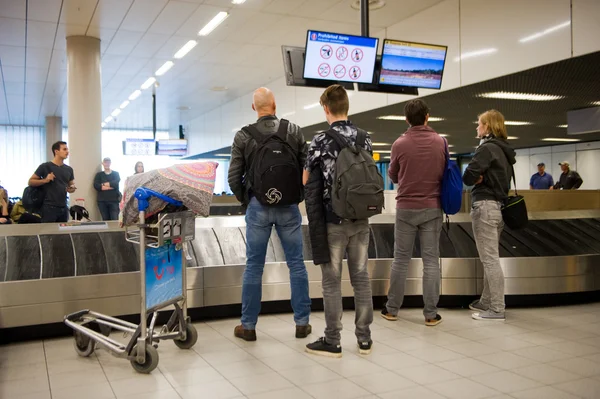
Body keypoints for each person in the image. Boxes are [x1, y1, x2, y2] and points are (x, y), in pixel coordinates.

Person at [227, 87, 311, 341]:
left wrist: (249, 199)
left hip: (258, 208)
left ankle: (249, 326)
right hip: (288, 208)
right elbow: (308, 168)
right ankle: (302, 323)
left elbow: (233, 176)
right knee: (296, 264)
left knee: (254, 266)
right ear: (275, 105)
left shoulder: (243, 136)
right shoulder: (293, 131)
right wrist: (296, 196)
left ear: (255, 108)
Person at [303, 84, 374, 358]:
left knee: (332, 282)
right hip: (361, 218)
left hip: (333, 220)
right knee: (361, 278)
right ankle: (364, 339)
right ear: (347, 107)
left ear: (326, 108)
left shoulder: (320, 140)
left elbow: (307, 179)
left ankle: (333, 340)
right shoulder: (364, 137)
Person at [381, 99, 446, 327]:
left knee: (400, 259)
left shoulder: (399, 144)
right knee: (431, 261)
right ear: (427, 116)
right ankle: (430, 313)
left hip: (406, 208)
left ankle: (391, 310)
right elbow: (443, 172)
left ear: (407, 119)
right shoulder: (441, 142)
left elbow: (394, 175)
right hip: (432, 207)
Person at [463, 110, 515, 321]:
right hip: (499, 208)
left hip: (484, 206)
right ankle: (486, 300)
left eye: (479, 124)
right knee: (489, 258)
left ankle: (496, 308)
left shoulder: (486, 149)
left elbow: (468, 176)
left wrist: (477, 178)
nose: (477, 127)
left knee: (490, 260)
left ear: (487, 126)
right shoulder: (505, 150)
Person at [28, 141, 76, 223]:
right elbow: (30, 181)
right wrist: (45, 180)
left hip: (63, 207)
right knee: (48, 233)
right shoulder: (45, 166)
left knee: (62, 234)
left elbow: (72, 185)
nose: (67, 152)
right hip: (49, 207)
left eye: (67, 149)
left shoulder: (69, 169)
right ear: (56, 151)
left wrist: (71, 189)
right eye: (64, 149)